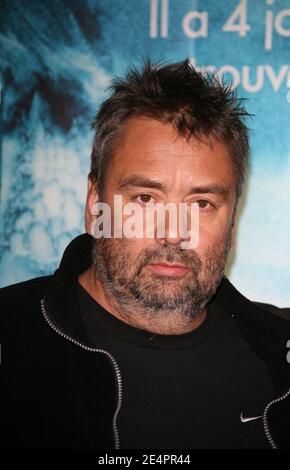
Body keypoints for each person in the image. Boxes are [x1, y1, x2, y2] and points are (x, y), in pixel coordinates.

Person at [0, 59, 289, 450]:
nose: (173, 232)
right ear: (93, 205)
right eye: (145, 198)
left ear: (232, 221)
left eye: (202, 204)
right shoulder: (12, 338)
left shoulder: (279, 356)